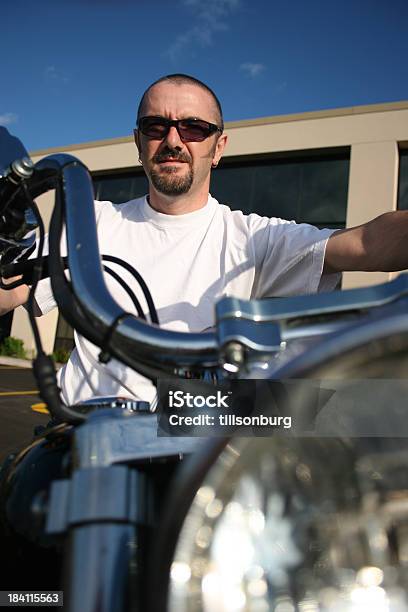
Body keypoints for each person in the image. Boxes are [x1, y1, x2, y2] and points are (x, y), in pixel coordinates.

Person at [1, 73, 408, 406]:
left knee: (364, 417)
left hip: (194, 435)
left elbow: (368, 243)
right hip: (82, 437)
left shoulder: (253, 238)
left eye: (194, 127)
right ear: (139, 144)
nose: (174, 141)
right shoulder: (90, 224)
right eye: (156, 126)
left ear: (218, 148)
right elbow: (10, 291)